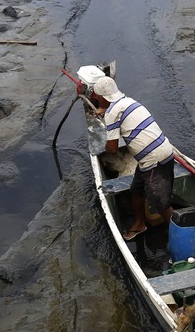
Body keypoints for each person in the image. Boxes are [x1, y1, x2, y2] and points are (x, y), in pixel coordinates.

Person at [76, 64, 179, 240]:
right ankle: (139, 224)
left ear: (100, 97)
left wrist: (108, 136)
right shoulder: (129, 102)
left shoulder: (111, 114)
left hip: (154, 159)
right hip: (162, 151)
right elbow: (114, 112)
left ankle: (184, 235)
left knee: (161, 205)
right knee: (136, 190)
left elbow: (113, 149)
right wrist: (106, 113)